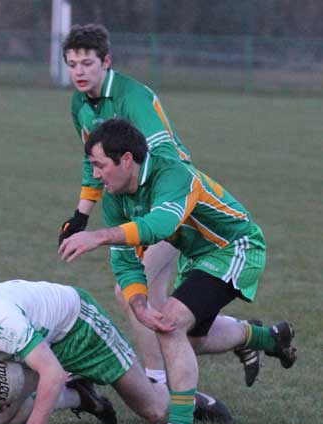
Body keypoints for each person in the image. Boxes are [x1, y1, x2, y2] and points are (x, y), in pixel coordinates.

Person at [58, 118, 297, 424]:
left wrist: (98, 235)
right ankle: (268, 338)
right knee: (191, 340)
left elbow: (159, 225)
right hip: (199, 256)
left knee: (170, 323)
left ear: (126, 159)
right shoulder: (115, 195)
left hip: (234, 247)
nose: (95, 175)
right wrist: (139, 304)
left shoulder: (173, 174)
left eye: (100, 165)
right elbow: (125, 258)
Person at [58, 23, 260, 388]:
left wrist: (138, 209)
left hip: (170, 204)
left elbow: (164, 156)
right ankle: (258, 336)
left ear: (106, 62)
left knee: (132, 291)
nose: (79, 72)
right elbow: (94, 163)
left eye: (87, 63)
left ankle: (156, 383)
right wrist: (80, 215)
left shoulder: (134, 97)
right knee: (182, 326)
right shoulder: (79, 105)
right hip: (136, 202)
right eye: (72, 64)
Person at [0, 279, 230, 424]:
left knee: (153, 411)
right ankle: (80, 396)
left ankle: (192, 399)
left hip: (75, 326)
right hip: (31, 339)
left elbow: (52, 373)